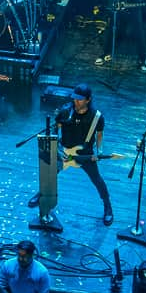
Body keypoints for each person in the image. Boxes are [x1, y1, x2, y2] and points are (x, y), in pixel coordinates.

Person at [27, 83, 114, 227]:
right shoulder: (66, 112)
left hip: (84, 153)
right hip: (64, 151)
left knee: (97, 180)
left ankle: (108, 206)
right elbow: (56, 130)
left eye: (80, 99)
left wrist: (100, 152)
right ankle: (42, 193)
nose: (76, 102)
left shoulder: (97, 117)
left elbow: (99, 136)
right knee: (50, 174)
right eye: (74, 99)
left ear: (88, 99)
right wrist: (58, 151)